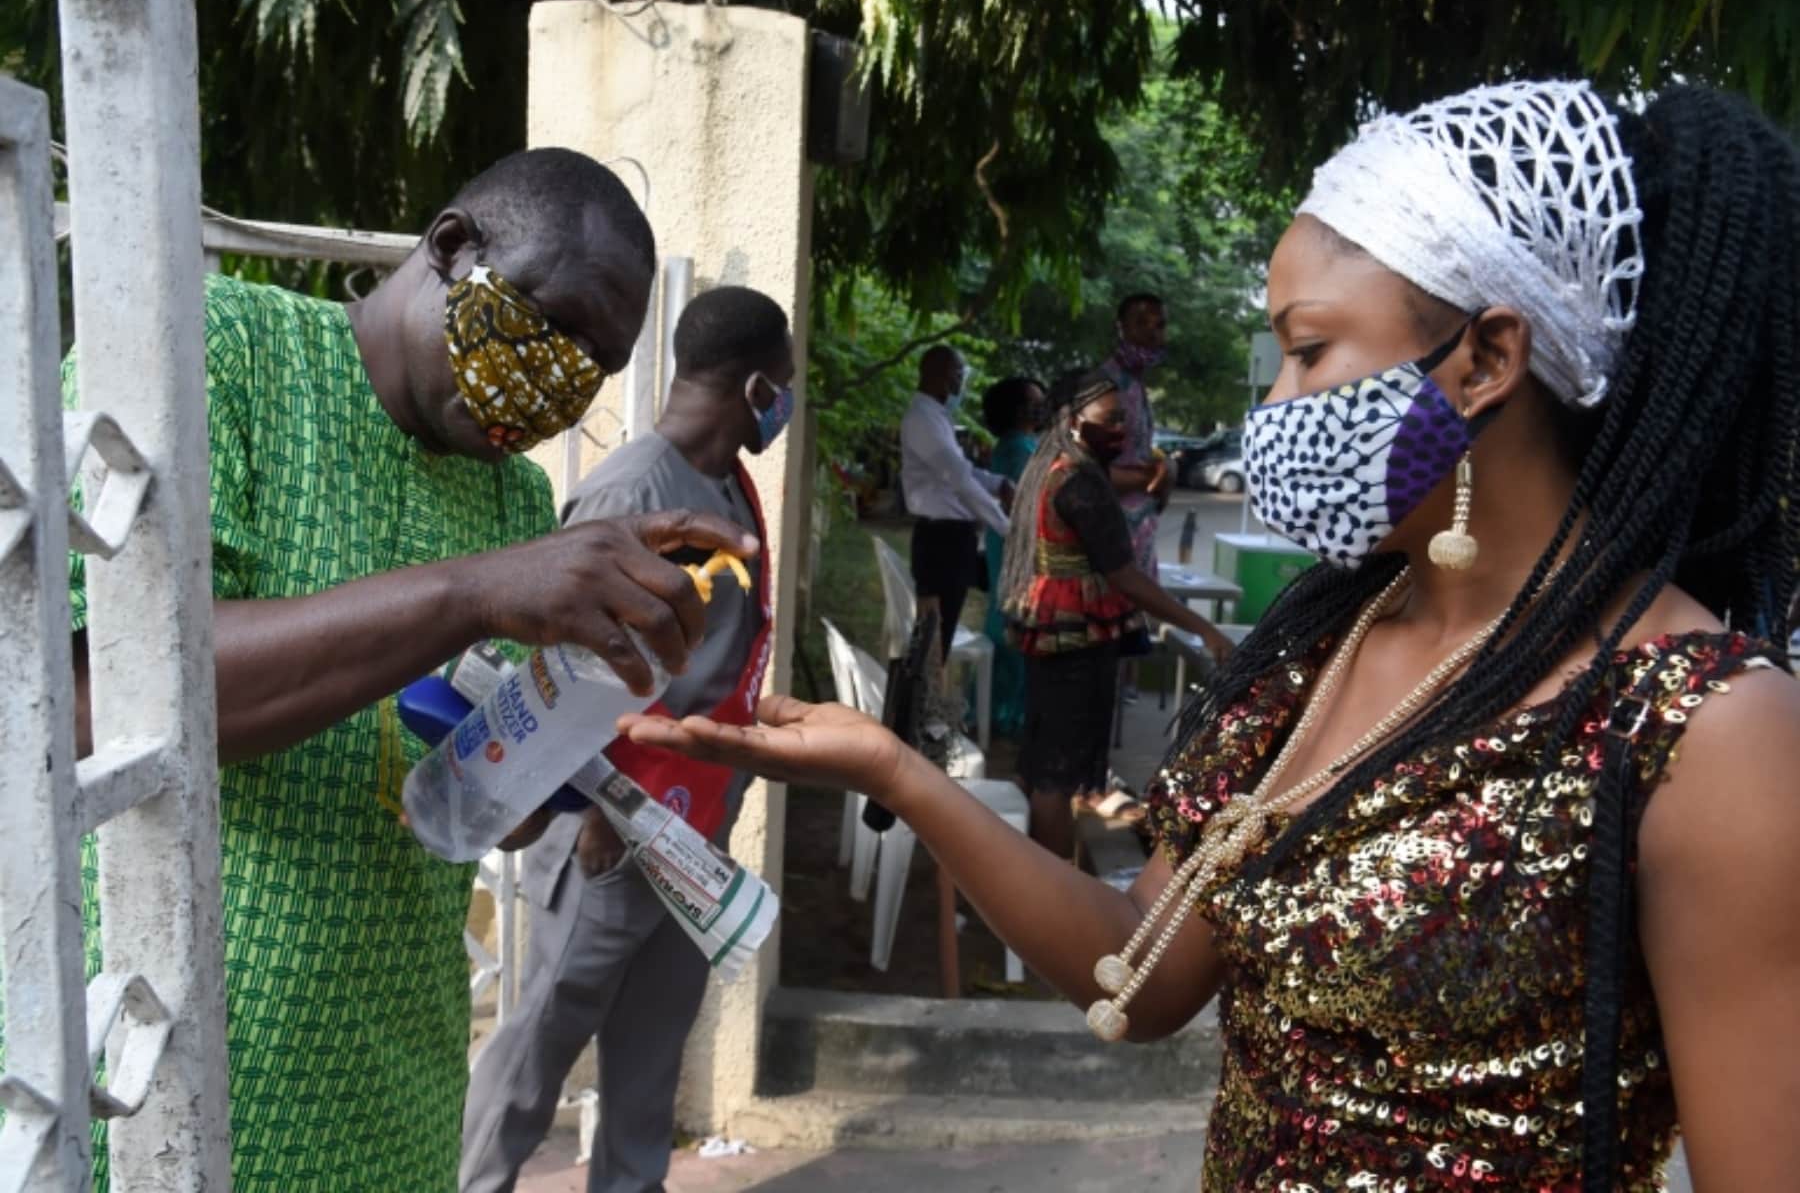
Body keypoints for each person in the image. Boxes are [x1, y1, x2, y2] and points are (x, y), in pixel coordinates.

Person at [618, 81, 1800, 1190]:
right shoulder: (1317, 650)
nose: (1274, 408)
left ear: (1488, 359)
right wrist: (899, 774)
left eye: (1310, 349)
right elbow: (1143, 964)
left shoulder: (1704, 731)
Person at [55, 148, 756, 1192]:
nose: (563, 377)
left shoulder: (515, 502)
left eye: (598, 364)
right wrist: (473, 594)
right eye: (550, 323)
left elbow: (485, 813)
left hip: (393, 1097)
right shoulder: (221, 349)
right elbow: (94, 698)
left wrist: (580, 703)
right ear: (449, 248)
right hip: (166, 1080)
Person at [460, 287, 791, 1193]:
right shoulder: (634, 489)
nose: (788, 401)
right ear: (759, 385)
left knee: (649, 1056)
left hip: (689, 823)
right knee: (539, 1047)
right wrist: (598, 803)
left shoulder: (724, 484)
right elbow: (553, 668)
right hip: (611, 825)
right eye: (786, 383)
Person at [999, 371, 1233, 859]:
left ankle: (1035, 873)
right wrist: (1204, 629)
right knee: (1056, 777)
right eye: (1110, 419)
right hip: (1076, 637)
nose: (1121, 429)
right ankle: (1054, 891)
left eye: (1124, 418)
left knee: (1044, 758)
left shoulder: (1052, 466)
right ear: (1072, 420)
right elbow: (1126, 575)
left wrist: (1161, 473)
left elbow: (1134, 484)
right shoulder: (1080, 483)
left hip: (1049, 628)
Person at [900, 344, 1011, 657]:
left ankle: (926, 699)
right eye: (958, 376)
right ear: (941, 377)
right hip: (940, 542)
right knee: (933, 642)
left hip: (951, 539)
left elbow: (964, 471)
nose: (960, 385)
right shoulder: (922, 419)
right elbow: (959, 480)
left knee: (939, 637)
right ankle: (920, 704)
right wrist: (1006, 528)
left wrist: (999, 483)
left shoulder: (936, 417)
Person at [1101, 293, 1174, 702]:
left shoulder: (1137, 385)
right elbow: (1088, 471)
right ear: (1120, 327)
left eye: (1159, 324)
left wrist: (1162, 472)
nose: (1152, 333)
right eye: (1142, 323)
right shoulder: (1107, 385)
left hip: (1139, 530)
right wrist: (1151, 476)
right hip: (1110, 535)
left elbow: (1142, 456)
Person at [979, 374, 1046, 736]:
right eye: (1033, 401)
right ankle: (1006, 715)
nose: (1040, 406)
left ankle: (995, 709)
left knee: (1004, 622)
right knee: (1014, 631)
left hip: (1004, 545)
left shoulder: (1012, 444)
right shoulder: (1020, 449)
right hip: (1017, 549)